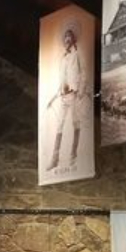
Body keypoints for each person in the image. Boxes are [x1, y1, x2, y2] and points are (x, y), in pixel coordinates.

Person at [45, 27, 84, 171]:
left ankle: (73, 157)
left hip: (74, 95)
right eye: (65, 37)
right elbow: (62, 80)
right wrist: (54, 97)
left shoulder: (77, 54)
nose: (67, 39)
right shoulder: (63, 58)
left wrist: (79, 91)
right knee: (59, 125)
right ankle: (54, 159)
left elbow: (83, 73)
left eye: (69, 36)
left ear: (73, 39)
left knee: (76, 123)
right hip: (63, 96)